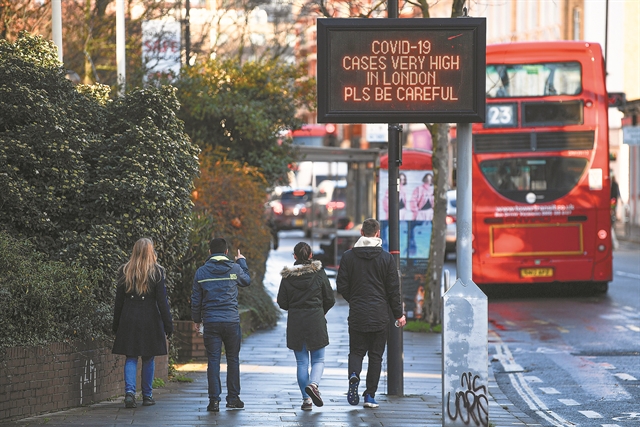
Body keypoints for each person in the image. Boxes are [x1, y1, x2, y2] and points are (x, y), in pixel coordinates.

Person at [336, 218, 406, 408]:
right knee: (376, 356)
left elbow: (341, 284)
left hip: (357, 313)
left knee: (356, 351)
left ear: (361, 232)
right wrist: (399, 314)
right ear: (377, 234)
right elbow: (393, 290)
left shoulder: (348, 257)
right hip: (379, 315)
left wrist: (355, 299)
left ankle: (353, 375)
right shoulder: (386, 258)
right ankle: (369, 396)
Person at [112, 238, 173, 409]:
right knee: (148, 357)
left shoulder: (125, 271)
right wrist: (169, 325)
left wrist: (116, 325)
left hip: (129, 318)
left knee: (131, 356)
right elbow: (162, 302)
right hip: (150, 319)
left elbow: (118, 302)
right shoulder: (157, 272)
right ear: (150, 251)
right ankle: (147, 395)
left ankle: (130, 394)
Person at [192, 238, 250, 412]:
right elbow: (246, 280)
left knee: (213, 361)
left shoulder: (201, 273)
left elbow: (196, 300)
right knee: (233, 359)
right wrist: (242, 261)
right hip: (231, 321)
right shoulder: (234, 268)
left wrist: (196, 320)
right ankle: (233, 399)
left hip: (211, 322)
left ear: (210, 252)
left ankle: (214, 401)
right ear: (226, 252)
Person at [277, 242, 335, 411]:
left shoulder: (288, 276)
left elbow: (282, 302)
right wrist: (321, 311)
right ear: (311, 256)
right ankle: (314, 385)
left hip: (296, 321)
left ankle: (306, 399)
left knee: (302, 363)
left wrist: (294, 308)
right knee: (319, 359)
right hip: (315, 319)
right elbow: (330, 298)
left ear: (295, 256)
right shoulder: (319, 273)